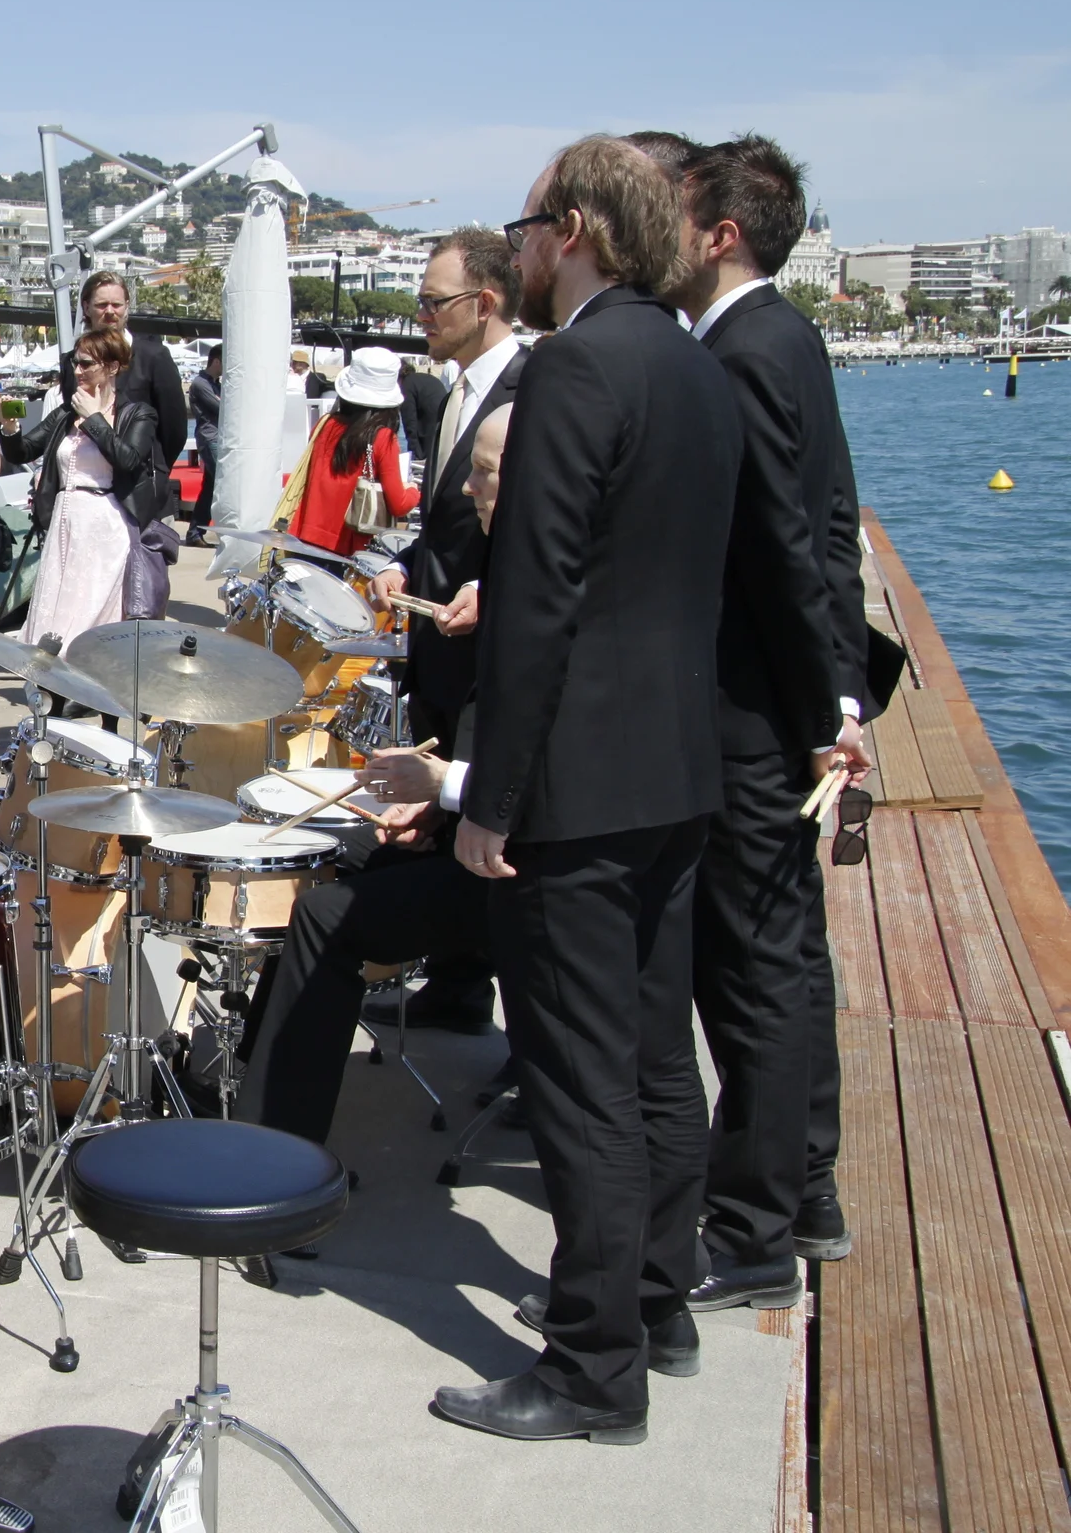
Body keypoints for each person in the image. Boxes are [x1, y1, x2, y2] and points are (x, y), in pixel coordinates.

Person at [432, 137, 742, 1446]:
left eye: (531, 231)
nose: (524, 256)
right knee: (659, 1056)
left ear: (576, 231)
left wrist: (488, 796)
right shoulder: (694, 364)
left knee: (580, 1079)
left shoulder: (575, 368)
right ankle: (656, 1304)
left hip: (578, 783)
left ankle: (589, 1363)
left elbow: (539, 598)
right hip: (680, 767)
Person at [666, 135, 872, 1295]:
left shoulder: (742, 351)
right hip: (778, 703)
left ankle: (750, 1234)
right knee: (786, 962)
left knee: (749, 972)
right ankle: (801, 1188)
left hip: (751, 714)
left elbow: (782, 551)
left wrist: (818, 708)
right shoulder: (783, 336)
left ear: (719, 232)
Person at [233, 404, 515, 1147]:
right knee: (324, 859)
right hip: (476, 821)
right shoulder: (518, 568)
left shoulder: (534, 591)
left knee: (330, 917)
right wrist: (435, 804)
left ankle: (275, 1159)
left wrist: (443, 785)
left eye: (483, 475)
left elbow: (537, 760)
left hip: (527, 868)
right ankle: (247, 1080)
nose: (465, 491)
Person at [366, 230, 528, 1034]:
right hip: (436, 647)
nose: (420, 314)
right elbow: (446, 517)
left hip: (486, 657)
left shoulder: (530, 389)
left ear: (484, 304)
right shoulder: (452, 389)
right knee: (438, 829)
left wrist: (487, 588)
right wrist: (406, 560)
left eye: (434, 301)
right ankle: (457, 983)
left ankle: (487, 987)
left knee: (480, 837)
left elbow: (545, 535)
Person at [6, 327, 164, 655]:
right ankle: (55, 683)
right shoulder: (66, 413)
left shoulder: (138, 413)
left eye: (86, 364)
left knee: (91, 606)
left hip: (105, 520)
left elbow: (128, 460)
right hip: (65, 521)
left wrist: (94, 418)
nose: (77, 371)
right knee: (58, 602)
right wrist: (10, 429)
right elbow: (23, 450)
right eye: (75, 363)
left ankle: (86, 677)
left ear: (113, 367)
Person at [285, 347, 419, 558]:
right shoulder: (383, 437)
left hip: (305, 537)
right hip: (350, 549)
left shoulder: (324, 424)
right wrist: (413, 490)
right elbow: (399, 503)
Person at [80, 270, 188, 475]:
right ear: (86, 308)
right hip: (87, 481)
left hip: (139, 484)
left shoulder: (154, 357)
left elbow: (175, 430)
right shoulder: (73, 362)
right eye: (102, 305)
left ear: (127, 308)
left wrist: (153, 472)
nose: (110, 311)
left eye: (117, 305)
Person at [182, 342, 222, 546]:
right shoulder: (200, 383)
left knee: (211, 486)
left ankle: (195, 531)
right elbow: (221, 406)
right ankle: (199, 530)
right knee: (221, 482)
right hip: (209, 438)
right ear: (216, 361)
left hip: (217, 438)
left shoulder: (216, 384)